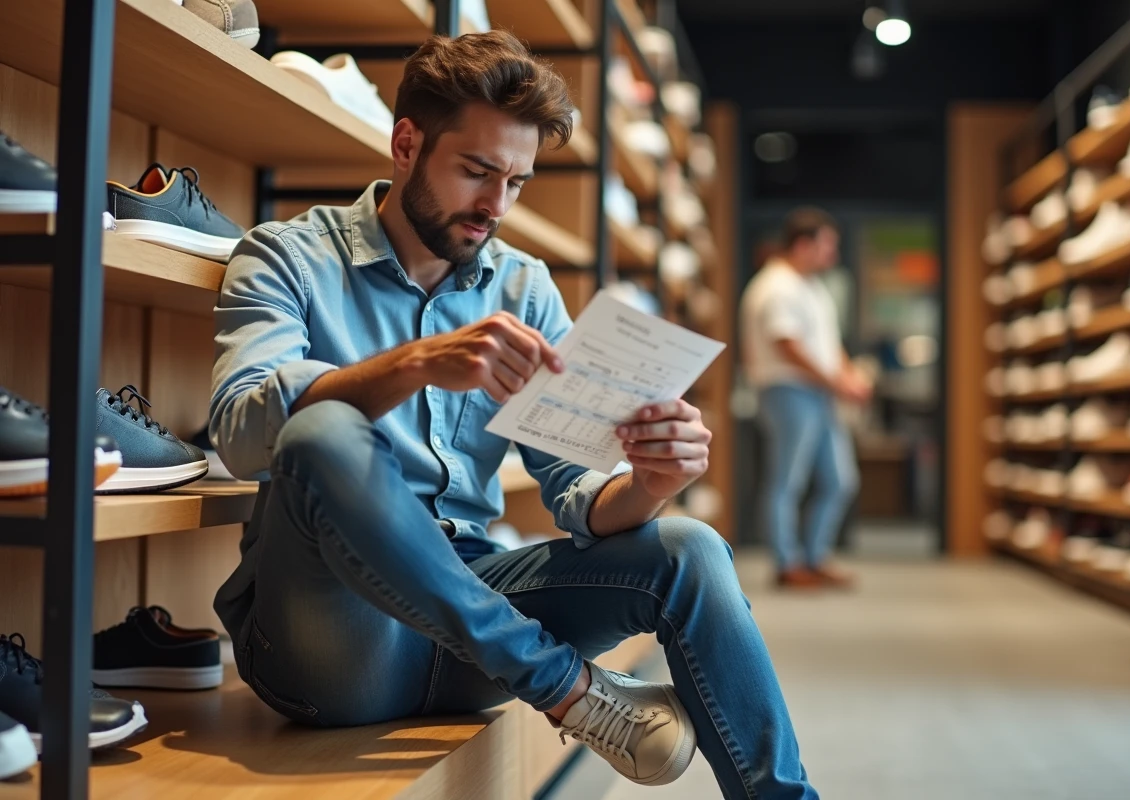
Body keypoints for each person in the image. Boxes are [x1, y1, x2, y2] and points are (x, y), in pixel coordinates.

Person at [209, 31, 817, 799]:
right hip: (333, 648)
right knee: (322, 431)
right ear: (405, 144)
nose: (496, 206)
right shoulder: (286, 256)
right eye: (476, 172)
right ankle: (570, 690)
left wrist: (651, 483)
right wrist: (415, 363)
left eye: (519, 183)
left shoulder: (524, 287)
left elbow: (576, 488)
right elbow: (237, 434)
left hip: (476, 633)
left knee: (690, 547)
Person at [740, 209, 871, 590]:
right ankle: (787, 563)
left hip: (819, 393)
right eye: (826, 246)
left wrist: (847, 378)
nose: (832, 254)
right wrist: (836, 381)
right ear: (803, 245)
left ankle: (814, 557)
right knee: (787, 481)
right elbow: (787, 345)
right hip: (789, 392)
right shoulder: (776, 286)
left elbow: (827, 345)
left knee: (840, 480)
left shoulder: (811, 286)